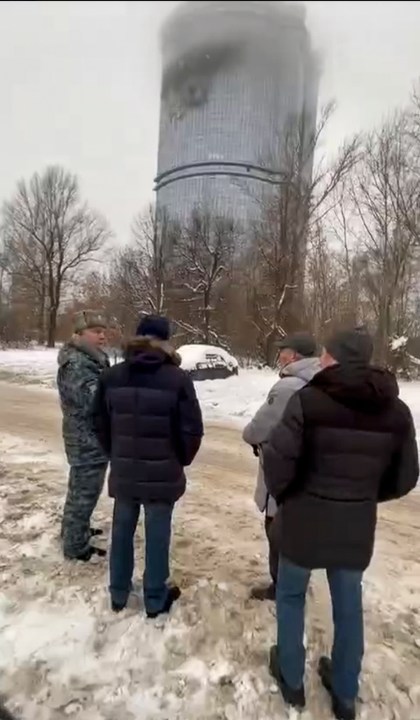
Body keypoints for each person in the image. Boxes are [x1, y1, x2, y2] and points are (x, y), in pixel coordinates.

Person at [261, 328, 419, 720]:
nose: (324, 360)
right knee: (348, 606)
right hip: (354, 527)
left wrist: (288, 497)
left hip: (303, 523)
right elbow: (406, 476)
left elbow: (278, 463)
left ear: (336, 358)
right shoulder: (395, 410)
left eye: (327, 354)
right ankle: (346, 693)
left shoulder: (307, 401)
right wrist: (364, 497)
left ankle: (292, 679)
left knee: (292, 596)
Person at [93, 314, 204, 619]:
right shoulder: (177, 379)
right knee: (157, 534)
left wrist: (115, 453)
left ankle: (118, 592)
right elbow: (192, 429)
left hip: (125, 469)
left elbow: (98, 423)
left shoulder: (112, 376)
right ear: (165, 341)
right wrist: (179, 459)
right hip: (162, 472)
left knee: (122, 529)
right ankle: (155, 598)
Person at [242, 332, 319, 600]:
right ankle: (296, 580)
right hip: (310, 471)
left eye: (283, 350)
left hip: (283, 470)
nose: (280, 355)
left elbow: (259, 428)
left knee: (277, 529)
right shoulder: (322, 382)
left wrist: (250, 436)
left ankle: (282, 586)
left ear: (295, 355)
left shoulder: (287, 387)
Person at [57, 310, 110, 561]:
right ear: (79, 335)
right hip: (86, 440)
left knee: (80, 490)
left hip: (90, 438)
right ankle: (75, 546)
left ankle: (73, 531)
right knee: (84, 493)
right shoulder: (77, 364)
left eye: (103, 331)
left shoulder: (91, 359)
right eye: (96, 331)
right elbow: (94, 400)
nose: (102, 335)